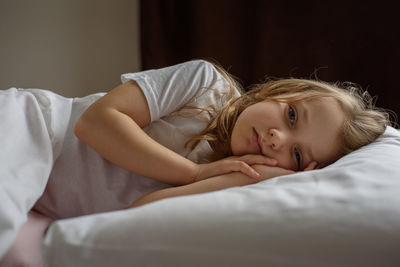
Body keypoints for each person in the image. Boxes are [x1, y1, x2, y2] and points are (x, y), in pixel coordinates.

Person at [0, 60, 391, 266]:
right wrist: (194, 172)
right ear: (281, 93)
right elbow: (94, 124)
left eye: (297, 154)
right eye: (291, 117)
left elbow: (134, 216)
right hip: (35, 132)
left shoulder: (238, 180)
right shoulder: (206, 86)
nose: (278, 138)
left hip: (45, 204)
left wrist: (240, 181)